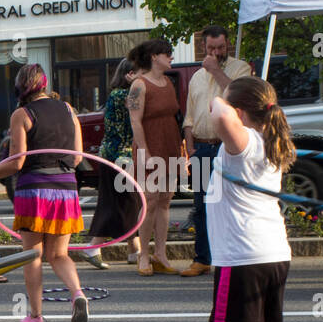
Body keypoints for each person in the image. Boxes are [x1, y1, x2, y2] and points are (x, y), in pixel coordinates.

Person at [205, 76, 298, 322]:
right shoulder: (267, 143)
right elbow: (229, 113)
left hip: (243, 259)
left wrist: (217, 97)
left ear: (242, 113)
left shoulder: (242, 144)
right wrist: (230, 93)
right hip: (273, 253)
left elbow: (221, 115)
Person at [0, 64, 89, 322]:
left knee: (32, 255)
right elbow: (76, 158)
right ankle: (77, 293)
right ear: (44, 83)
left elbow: (17, 161)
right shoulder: (68, 110)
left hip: (34, 189)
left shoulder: (22, 114)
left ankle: (36, 316)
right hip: (65, 188)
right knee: (59, 254)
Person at [182, 26, 252, 277]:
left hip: (228, 147)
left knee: (230, 203)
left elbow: (240, 97)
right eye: (211, 48)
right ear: (203, 47)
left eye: (220, 47)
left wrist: (216, 70)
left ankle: (234, 259)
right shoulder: (196, 77)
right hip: (201, 147)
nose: (216, 52)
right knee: (202, 205)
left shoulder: (240, 68)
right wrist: (190, 148)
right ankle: (202, 258)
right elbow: (189, 116)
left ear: (228, 45)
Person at [127, 39, 183, 276]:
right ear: (154, 57)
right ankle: (143, 256)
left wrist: (182, 151)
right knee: (149, 200)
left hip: (170, 144)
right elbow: (135, 121)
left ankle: (161, 253)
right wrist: (146, 153)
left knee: (165, 200)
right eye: (167, 54)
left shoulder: (168, 82)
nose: (171, 58)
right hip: (149, 146)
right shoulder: (139, 85)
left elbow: (175, 117)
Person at [90, 59, 143, 265]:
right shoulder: (122, 95)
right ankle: (94, 246)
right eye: (140, 73)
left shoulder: (118, 95)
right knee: (121, 204)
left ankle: (133, 248)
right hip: (119, 156)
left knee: (126, 203)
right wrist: (139, 83)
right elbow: (136, 109)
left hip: (116, 155)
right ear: (130, 74)